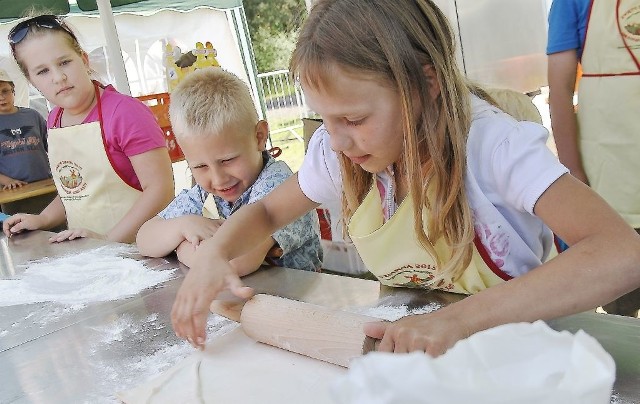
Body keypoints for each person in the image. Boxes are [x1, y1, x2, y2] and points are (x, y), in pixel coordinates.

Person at [171, 0, 640, 354]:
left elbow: (621, 252)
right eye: (325, 120)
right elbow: (269, 209)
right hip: (420, 351)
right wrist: (217, 251)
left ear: (425, 85)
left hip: (515, 349)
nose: (335, 141)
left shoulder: (495, 147)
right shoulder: (344, 154)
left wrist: (459, 321)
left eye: (353, 120)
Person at [2, 14, 174, 244]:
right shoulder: (55, 119)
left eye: (64, 62)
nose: (59, 77)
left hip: (147, 249)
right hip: (94, 256)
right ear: (31, 81)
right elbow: (74, 193)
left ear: (84, 59)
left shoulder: (125, 113)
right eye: (42, 71)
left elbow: (161, 191)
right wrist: (42, 219)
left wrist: (108, 241)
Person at [136, 67, 322, 274]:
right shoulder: (203, 193)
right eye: (200, 166)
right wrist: (183, 226)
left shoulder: (277, 185)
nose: (218, 179)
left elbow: (235, 263)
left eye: (227, 160)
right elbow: (144, 238)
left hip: (295, 300)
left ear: (259, 137)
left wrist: (180, 246)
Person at [547, 0, 640, 317]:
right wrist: (573, 173)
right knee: (622, 310)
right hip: (610, 179)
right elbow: (559, 90)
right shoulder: (572, 3)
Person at [0, 69, 50, 190]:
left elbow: (52, 146)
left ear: (13, 90)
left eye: (5, 91)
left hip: (46, 183)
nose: (1, 97)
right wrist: (8, 181)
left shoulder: (32, 115)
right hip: (13, 190)